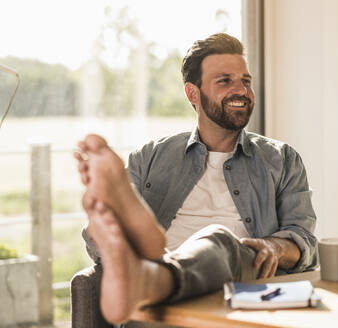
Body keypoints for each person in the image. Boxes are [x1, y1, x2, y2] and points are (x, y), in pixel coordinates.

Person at [75, 33, 318, 324]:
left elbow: (305, 241)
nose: (241, 90)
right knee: (106, 226)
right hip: (163, 311)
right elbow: (100, 239)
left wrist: (274, 247)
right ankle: (144, 254)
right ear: (193, 94)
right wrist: (108, 226)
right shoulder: (151, 156)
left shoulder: (281, 159)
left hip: (239, 292)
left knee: (222, 242)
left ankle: (153, 273)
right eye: (224, 81)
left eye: (245, 81)